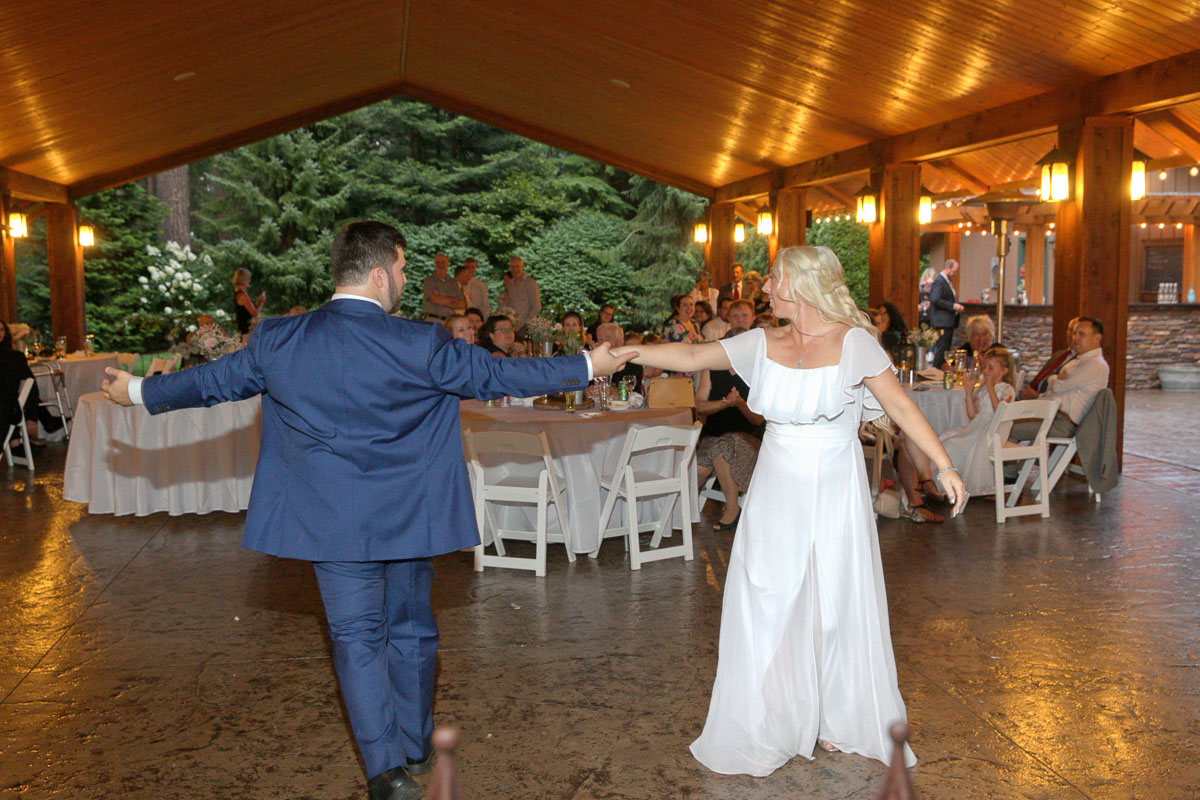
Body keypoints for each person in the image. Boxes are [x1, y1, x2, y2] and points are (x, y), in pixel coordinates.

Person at [99, 221, 632, 800]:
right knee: (412, 631)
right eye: (403, 270)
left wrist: (135, 393)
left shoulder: (279, 339)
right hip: (408, 517)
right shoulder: (419, 343)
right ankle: (414, 742)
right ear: (380, 274)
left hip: (332, 522)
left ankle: (385, 772)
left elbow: (213, 382)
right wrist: (585, 367)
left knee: (356, 638)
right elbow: (497, 373)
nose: (405, 279)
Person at [611, 245, 966, 775]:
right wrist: (628, 352)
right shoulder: (762, 340)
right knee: (765, 595)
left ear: (800, 285)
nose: (765, 290)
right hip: (777, 482)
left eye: (774, 280)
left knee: (833, 599)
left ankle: (837, 716)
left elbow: (900, 406)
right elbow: (689, 358)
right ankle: (769, 717)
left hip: (834, 484)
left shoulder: (854, 344)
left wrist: (944, 466)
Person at [903, 346, 1017, 496]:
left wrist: (990, 387)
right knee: (944, 439)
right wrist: (969, 392)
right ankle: (931, 483)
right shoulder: (983, 389)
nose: (986, 371)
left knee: (952, 446)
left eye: (991, 368)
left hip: (991, 431)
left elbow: (1000, 412)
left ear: (1004, 371)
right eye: (985, 367)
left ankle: (945, 485)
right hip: (976, 427)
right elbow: (972, 414)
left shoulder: (1006, 389)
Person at [694, 326, 763, 532]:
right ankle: (685, 508)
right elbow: (699, 406)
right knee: (699, 468)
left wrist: (740, 403)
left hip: (747, 436)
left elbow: (758, 420)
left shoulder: (756, 371)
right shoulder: (712, 368)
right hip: (714, 433)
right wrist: (725, 403)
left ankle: (732, 508)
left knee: (721, 450)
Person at [1012, 316, 1109, 440]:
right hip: (1050, 414)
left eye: (1081, 334)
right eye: (1074, 333)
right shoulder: (1078, 361)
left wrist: (1053, 378)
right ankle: (1016, 459)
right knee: (1001, 423)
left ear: (1097, 338)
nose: (1075, 338)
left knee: (1006, 428)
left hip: (1062, 423)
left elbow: (1057, 387)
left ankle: (1008, 458)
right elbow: (1055, 390)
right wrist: (1055, 380)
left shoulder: (1094, 365)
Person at [0, 320, 64, 441]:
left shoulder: (14, 356)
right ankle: (44, 419)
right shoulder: (14, 356)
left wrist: (31, 416)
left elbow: (28, 383)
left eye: (1, 330)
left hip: (7, 405)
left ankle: (18, 439)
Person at [1026, 317, 1079, 392]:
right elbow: (1040, 376)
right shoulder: (1059, 354)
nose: (1071, 335)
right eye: (1070, 330)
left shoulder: (1079, 361)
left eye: (1075, 332)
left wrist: (1037, 396)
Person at [929, 259, 963, 368]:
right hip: (942, 322)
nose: (955, 274)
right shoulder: (939, 281)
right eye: (954, 271)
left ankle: (940, 371)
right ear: (947, 268)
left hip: (947, 322)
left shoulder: (946, 282)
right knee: (941, 351)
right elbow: (935, 299)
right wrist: (953, 306)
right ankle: (936, 371)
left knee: (944, 350)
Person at [498, 256, 540, 329]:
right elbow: (506, 305)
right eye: (512, 267)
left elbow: (536, 306)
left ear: (522, 267)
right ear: (509, 268)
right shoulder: (510, 285)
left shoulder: (530, 283)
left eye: (517, 266)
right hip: (511, 327)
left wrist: (527, 323)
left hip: (525, 326)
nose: (515, 269)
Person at [422, 253, 464, 322]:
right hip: (433, 320)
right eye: (437, 262)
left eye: (443, 262)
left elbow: (462, 304)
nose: (440, 264)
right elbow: (435, 299)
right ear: (434, 264)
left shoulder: (453, 282)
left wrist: (441, 299)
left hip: (449, 322)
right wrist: (453, 299)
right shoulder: (429, 280)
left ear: (448, 264)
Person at [232, 268, 266, 337]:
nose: (249, 281)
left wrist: (258, 302)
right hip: (246, 331)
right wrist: (262, 302)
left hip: (243, 329)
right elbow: (254, 313)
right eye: (248, 279)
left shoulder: (238, 293)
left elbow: (248, 310)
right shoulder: (242, 295)